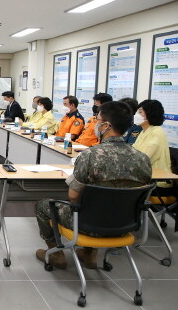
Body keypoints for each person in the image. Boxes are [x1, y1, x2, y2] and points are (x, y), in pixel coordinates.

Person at [35, 101, 152, 270]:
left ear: (106, 126)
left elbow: (73, 196)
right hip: (125, 224)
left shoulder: (91, 155)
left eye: (97, 120)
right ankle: (89, 253)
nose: (95, 123)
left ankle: (55, 253)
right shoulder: (143, 159)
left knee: (43, 205)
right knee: (104, 204)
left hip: (87, 224)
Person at [133, 100, 173, 195]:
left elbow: (143, 158)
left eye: (140, 112)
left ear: (150, 114)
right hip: (144, 179)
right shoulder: (144, 131)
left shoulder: (157, 132)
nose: (136, 115)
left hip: (157, 183)